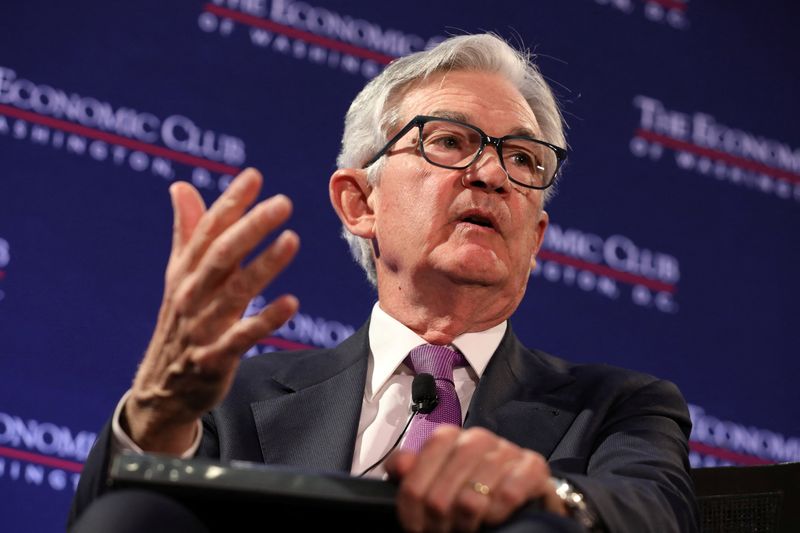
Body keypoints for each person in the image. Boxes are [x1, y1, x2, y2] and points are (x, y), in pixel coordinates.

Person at [68, 33, 698, 532]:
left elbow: (654, 511)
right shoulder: (231, 405)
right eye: (450, 141)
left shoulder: (618, 408)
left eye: (523, 159)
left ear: (534, 240)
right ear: (359, 203)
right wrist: (155, 410)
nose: (493, 175)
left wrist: (547, 495)